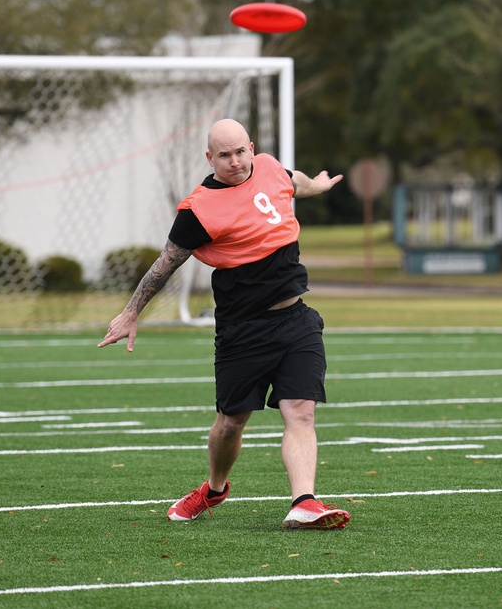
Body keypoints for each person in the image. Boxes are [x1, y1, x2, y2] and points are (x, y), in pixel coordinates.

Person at [97, 118, 350, 530]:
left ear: (251, 148)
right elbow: (165, 264)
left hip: (296, 321)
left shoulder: (268, 165)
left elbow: (293, 180)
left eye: (240, 152)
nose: (235, 162)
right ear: (210, 158)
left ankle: (304, 501)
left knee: (301, 413)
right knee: (231, 423)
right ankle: (214, 488)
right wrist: (131, 312)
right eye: (225, 155)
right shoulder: (199, 209)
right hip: (241, 331)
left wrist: (316, 185)